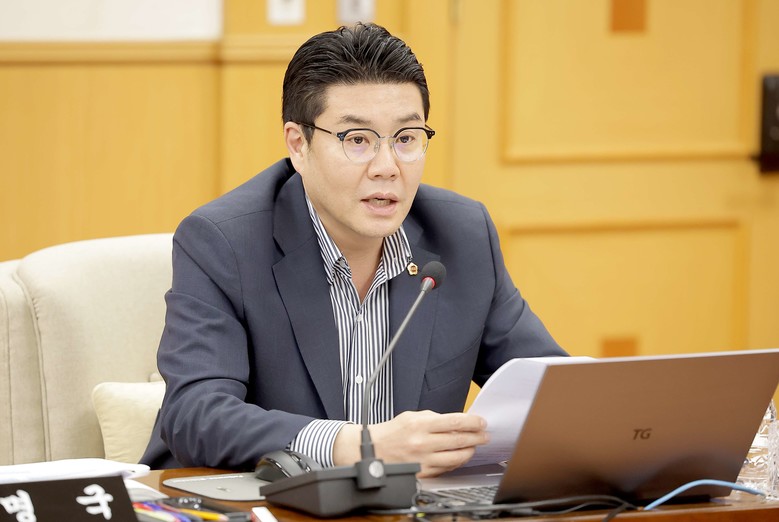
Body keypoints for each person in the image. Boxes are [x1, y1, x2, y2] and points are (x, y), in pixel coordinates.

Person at [140, 22, 566, 477]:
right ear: (298, 145)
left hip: (414, 503)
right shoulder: (223, 242)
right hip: (259, 497)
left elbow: (554, 389)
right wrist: (356, 447)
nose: (387, 167)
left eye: (406, 138)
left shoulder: (462, 235)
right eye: (357, 139)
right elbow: (196, 415)